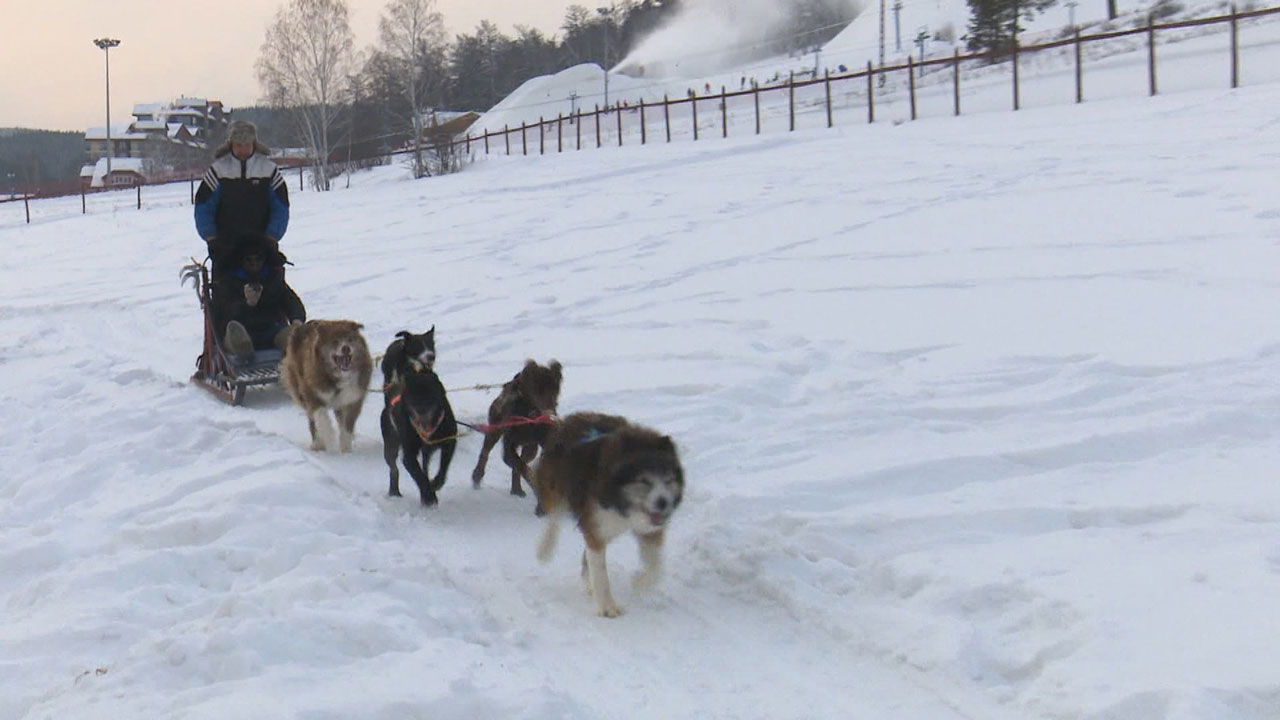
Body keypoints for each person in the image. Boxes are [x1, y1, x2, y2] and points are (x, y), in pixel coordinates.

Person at [194, 120, 290, 276]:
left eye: (247, 144)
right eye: (238, 145)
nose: (243, 149)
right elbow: (203, 206)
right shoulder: (218, 170)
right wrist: (211, 238)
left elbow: (281, 207)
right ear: (231, 144)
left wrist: (272, 237)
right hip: (225, 247)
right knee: (225, 296)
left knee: (275, 296)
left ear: (254, 143)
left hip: (262, 246)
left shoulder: (268, 169)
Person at [215, 243, 306, 356]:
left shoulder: (272, 279)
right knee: (235, 332)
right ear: (241, 261)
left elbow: (291, 300)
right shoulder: (229, 282)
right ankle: (243, 349)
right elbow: (222, 311)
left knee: (294, 337)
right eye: (249, 260)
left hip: (272, 329)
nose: (254, 264)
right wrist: (247, 303)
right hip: (242, 329)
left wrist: (297, 319)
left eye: (259, 259)